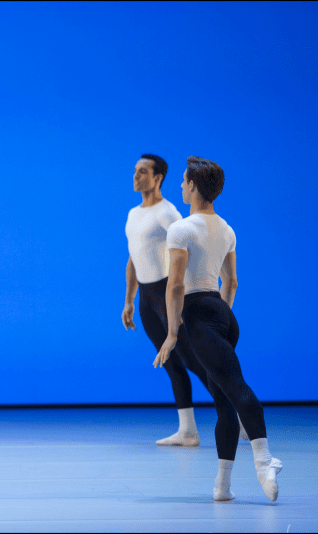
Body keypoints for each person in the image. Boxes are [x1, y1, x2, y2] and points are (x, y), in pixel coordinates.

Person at [155, 156, 281, 502]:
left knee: (236, 390)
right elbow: (233, 282)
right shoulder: (226, 229)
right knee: (224, 402)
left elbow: (176, 286)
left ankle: (264, 460)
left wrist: (172, 333)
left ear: (193, 186)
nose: (180, 186)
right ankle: (222, 487)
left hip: (198, 316)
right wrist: (222, 315)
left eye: (183, 181)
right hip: (223, 315)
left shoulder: (181, 229)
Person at [123, 154, 211, 446]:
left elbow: (189, 250)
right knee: (172, 364)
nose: (135, 176)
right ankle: (188, 431)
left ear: (158, 177)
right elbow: (133, 258)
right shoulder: (134, 214)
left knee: (196, 362)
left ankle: (238, 415)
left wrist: (187, 294)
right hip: (147, 300)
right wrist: (129, 300)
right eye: (135, 171)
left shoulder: (168, 213)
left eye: (142, 171)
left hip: (167, 296)